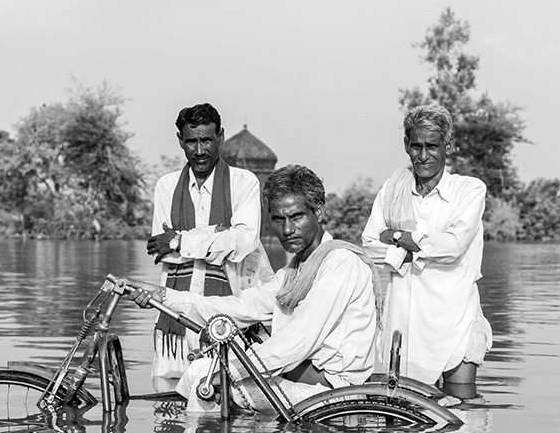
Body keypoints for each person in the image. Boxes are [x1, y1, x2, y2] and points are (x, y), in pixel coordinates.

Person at [132, 164, 382, 410]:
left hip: (330, 392)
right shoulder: (295, 270)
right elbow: (244, 307)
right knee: (202, 369)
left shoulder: (340, 263)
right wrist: (164, 297)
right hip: (299, 376)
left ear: (319, 212)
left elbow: (295, 341)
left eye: (296, 217)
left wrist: (228, 373)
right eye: (278, 219)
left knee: (205, 377)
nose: (286, 229)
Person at [362, 104, 492, 396]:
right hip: (406, 326)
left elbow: (453, 246)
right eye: (416, 146)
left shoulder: (469, 191)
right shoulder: (393, 189)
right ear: (406, 145)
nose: (423, 156)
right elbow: (370, 245)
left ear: (449, 145)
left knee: (462, 415)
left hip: (455, 319)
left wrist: (395, 238)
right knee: (408, 411)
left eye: (432, 146)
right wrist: (410, 246)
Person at [147, 102, 272, 384]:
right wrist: (219, 236)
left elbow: (242, 243)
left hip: (228, 315)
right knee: (168, 409)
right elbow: (162, 252)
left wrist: (180, 240)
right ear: (181, 140)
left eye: (206, 140)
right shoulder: (167, 186)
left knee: (225, 395)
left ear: (221, 137)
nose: (200, 150)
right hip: (174, 323)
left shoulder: (244, 183)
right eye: (191, 141)